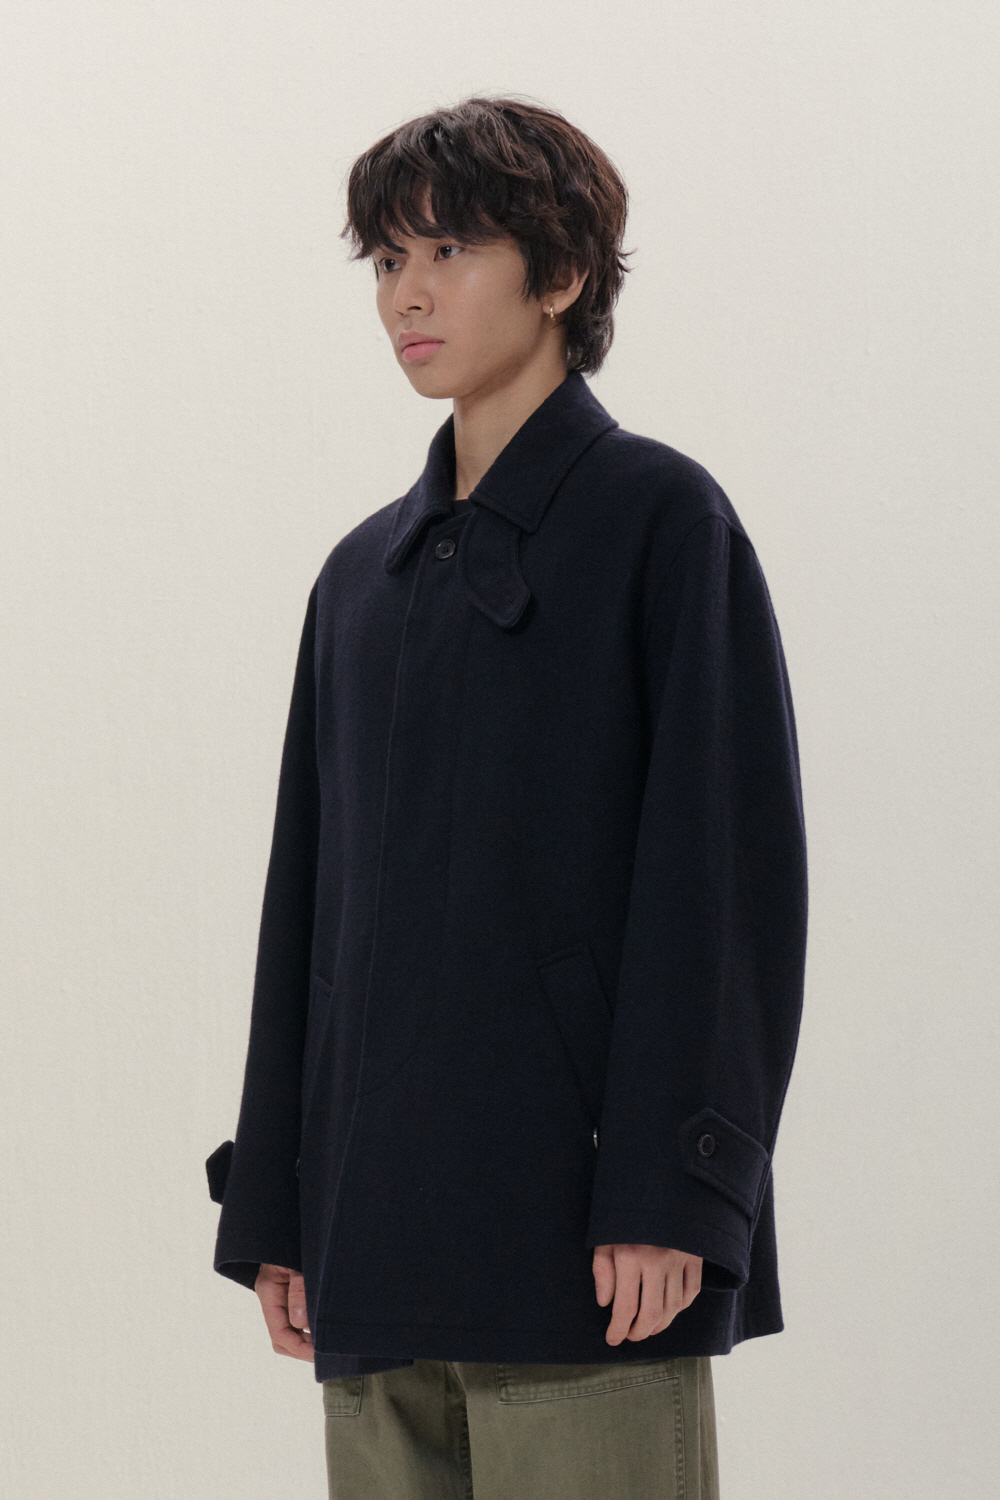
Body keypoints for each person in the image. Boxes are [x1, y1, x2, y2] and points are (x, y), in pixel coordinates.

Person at [206, 94, 808, 1500]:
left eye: (451, 250)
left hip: (587, 1249)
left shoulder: (663, 521)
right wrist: (280, 1203)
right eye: (386, 260)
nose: (406, 295)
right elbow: (307, 912)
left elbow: (720, 883)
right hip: (371, 1254)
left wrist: (675, 1190)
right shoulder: (361, 578)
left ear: (562, 273)